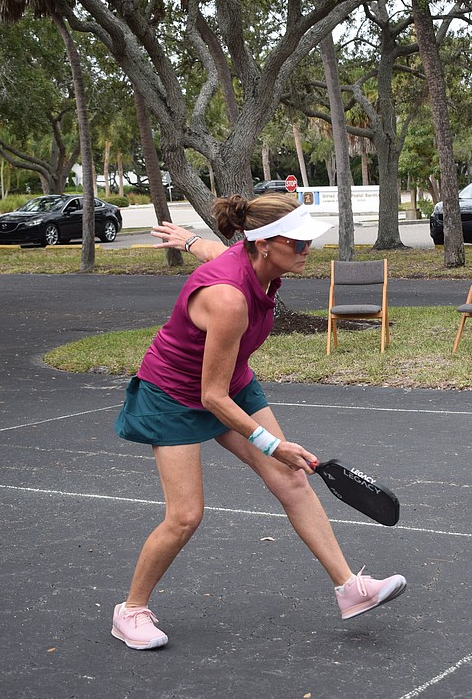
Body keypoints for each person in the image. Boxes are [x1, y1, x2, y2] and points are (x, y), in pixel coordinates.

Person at [110, 194, 406, 650]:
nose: (309, 248)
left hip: (231, 382)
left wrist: (189, 240)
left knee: (292, 481)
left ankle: (350, 588)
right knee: (186, 516)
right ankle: (130, 611)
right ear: (266, 243)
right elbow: (211, 396)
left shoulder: (258, 262)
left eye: (310, 239)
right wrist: (273, 445)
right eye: (299, 241)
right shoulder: (228, 299)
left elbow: (216, 252)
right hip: (174, 395)